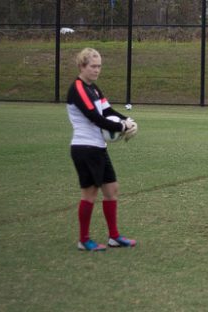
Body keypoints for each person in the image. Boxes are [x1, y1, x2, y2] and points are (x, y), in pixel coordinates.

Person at [67, 48, 138, 251]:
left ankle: (114, 237)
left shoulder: (94, 89)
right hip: (84, 148)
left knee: (111, 189)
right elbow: (94, 117)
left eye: (99, 66)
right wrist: (120, 127)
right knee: (90, 193)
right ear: (82, 66)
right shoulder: (78, 88)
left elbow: (106, 111)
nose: (97, 70)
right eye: (93, 66)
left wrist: (127, 120)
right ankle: (84, 240)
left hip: (98, 147)